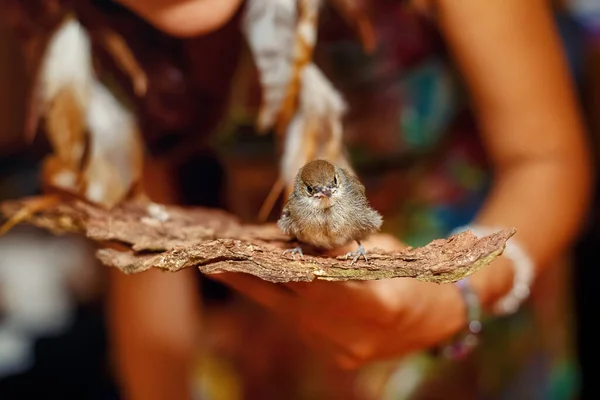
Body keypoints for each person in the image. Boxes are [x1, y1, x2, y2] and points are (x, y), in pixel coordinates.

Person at [3, 0, 593, 399]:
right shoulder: (88, 31)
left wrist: (461, 296)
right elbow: (145, 267)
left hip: (494, 361)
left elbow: (548, 160)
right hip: (289, 362)